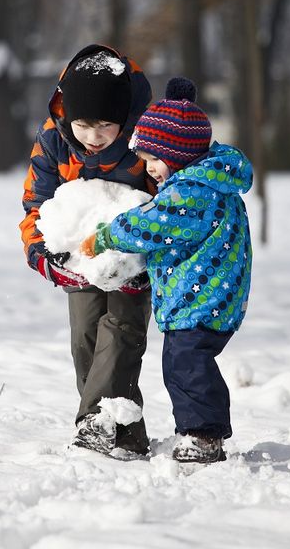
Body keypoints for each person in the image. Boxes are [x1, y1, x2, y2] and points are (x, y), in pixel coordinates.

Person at [80, 77, 253, 463]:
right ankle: (200, 430)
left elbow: (151, 224)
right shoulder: (208, 183)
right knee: (188, 364)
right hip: (209, 295)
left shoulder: (191, 193)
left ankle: (203, 436)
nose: (149, 169)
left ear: (176, 153)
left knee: (186, 366)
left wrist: (107, 237)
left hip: (201, 298)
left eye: (152, 160)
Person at [19, 44, 156, 458]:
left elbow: (168, 199)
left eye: (105, 126)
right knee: (85, 337)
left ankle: (94, 423)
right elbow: (36, 203)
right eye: (82, 124)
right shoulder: (53, 139)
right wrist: (42, 253)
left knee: (122, 331)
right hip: (78, 256)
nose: (92, 138)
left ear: (124, 120)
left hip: (130, 259)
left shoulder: (146, 139)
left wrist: (152, 256)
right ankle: (126, 433)